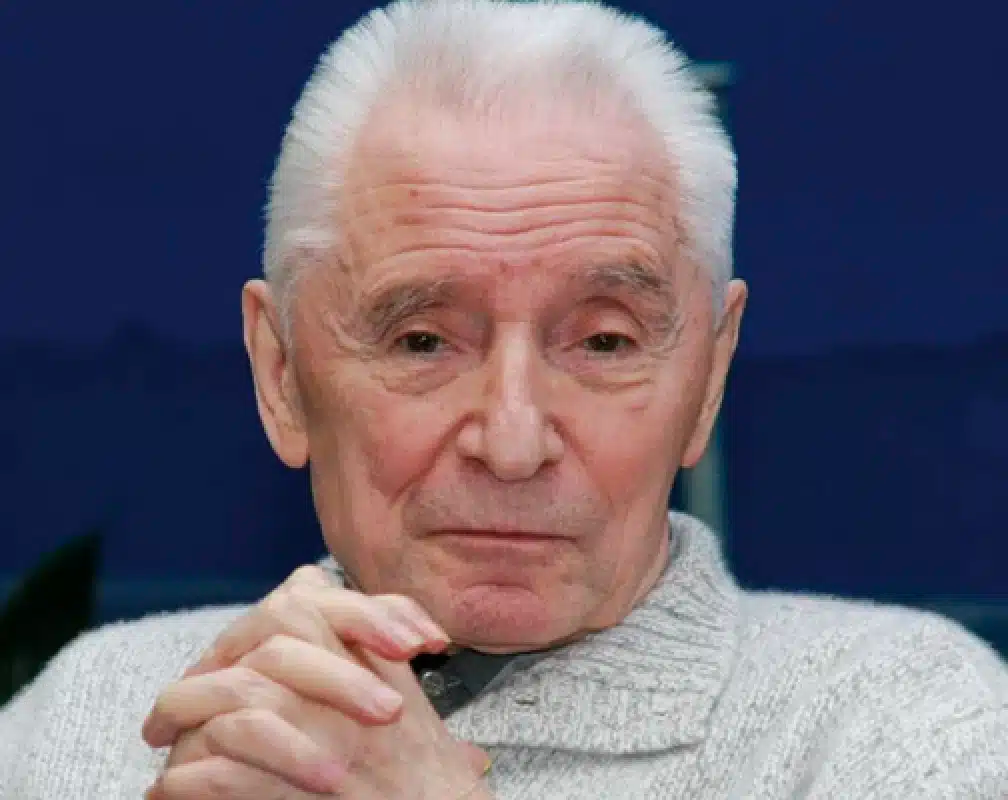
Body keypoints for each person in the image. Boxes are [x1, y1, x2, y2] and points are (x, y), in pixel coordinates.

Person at [3, 0, 1007, 797]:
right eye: (422, 340)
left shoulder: (908, 725)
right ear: (281, 374)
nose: (515, 442)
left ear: (707, 377)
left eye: (604, 342)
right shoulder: (89, 716)